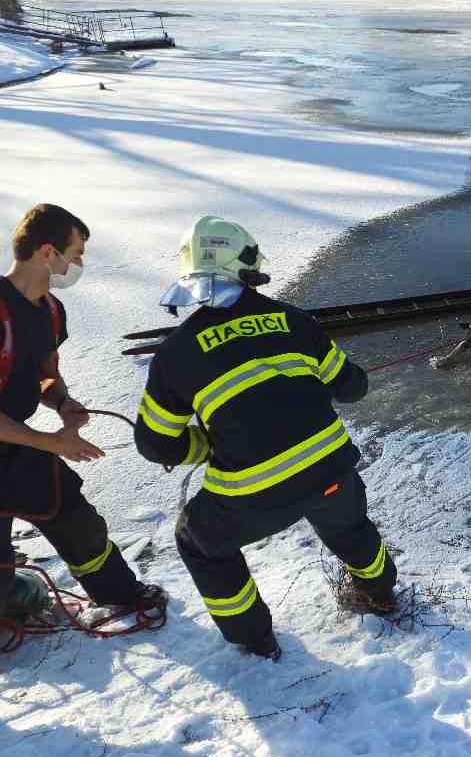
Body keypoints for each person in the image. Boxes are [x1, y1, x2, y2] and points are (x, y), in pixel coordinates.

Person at [134, 216, 396, 661]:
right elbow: (352, 388)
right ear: (247, 265)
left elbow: (155, 444)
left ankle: (254, 640)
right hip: (330, 472)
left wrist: (203, 445)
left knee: (196, 540)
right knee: (350, 528)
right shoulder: (295, 321)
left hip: (253, 498)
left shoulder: (175, 353)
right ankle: (381, 595)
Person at [1, 204, 166, 627]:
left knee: (65, 505)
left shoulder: (50, 311)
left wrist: (62, 404)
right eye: (74, 253)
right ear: (45, 252)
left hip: (12, 444)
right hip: (13, 440)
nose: (78, 264)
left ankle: (120, 596)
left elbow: (44, 377)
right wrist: (52, 442)